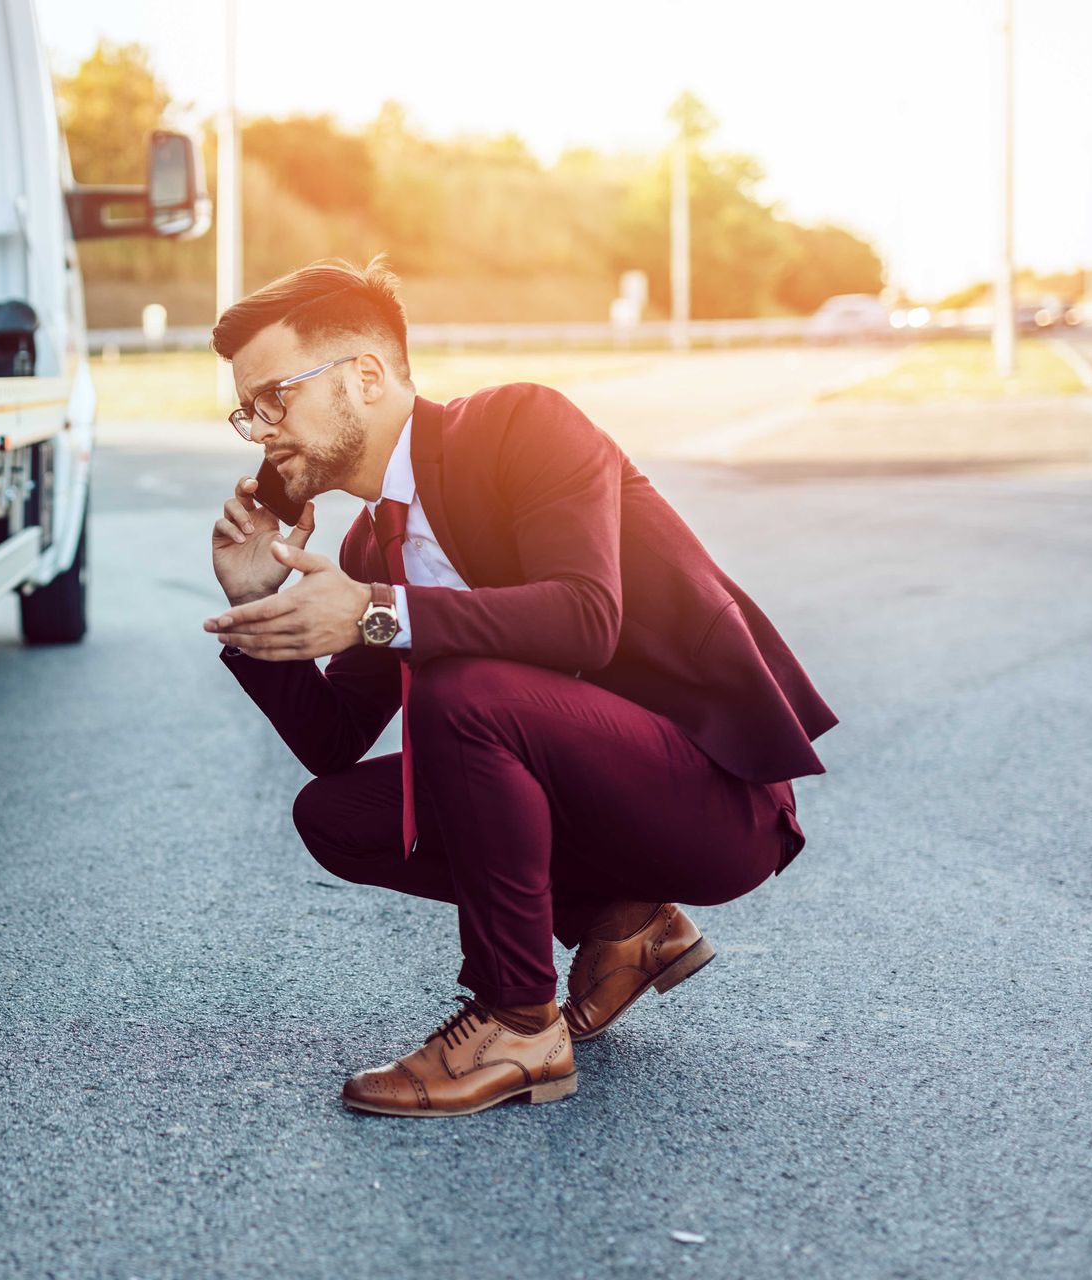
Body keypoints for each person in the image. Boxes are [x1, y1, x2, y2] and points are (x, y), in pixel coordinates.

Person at [203, 257, 837, 1117]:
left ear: (365, 375)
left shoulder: (519, 426)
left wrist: (377, 617)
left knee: (462, 691)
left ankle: (519, 1020)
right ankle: (625, 921)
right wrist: (253, 613)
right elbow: (332, 740)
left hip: (715, 797)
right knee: (335, 816)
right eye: (250, 412)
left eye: (275, 397)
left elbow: (586, 617)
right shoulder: (366, 549)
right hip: (602, 797)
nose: (261, 431)